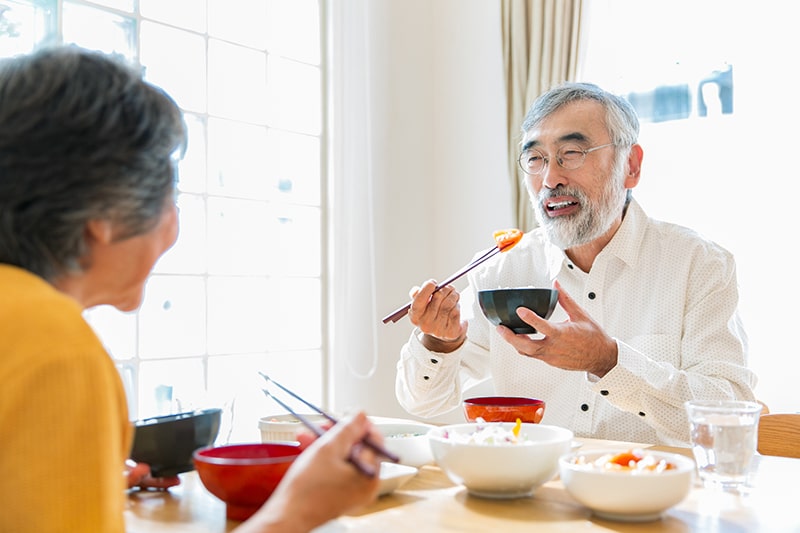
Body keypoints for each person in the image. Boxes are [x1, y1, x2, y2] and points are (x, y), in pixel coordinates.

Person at [0, 45, 382, 533]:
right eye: (170, 195)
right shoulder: (53, 347)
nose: (175, 223)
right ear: (105, 214)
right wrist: (301, 509)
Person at [395, 81, 757, 446]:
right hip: (532, 488)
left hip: (651, 492)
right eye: (536, 159)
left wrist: (610, 362)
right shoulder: (502, 270)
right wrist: (439, 342)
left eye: (571, 153)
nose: (550, 179)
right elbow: (422, 401)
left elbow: (730, 416)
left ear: (630, 165)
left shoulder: (699, 265)